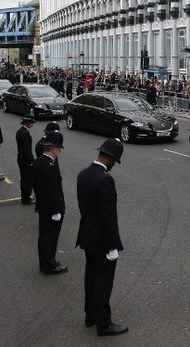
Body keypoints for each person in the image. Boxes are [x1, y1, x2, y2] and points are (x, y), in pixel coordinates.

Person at [76, 138, 127, 336]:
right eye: (114, 160)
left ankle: (90, 315)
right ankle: (104, 323)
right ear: (109, 157)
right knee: (103, 282)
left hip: (87, 236)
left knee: (90, 277)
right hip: (102, 241)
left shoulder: (83, 174)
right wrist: (113, 245)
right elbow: (108, 216)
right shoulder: (105, 180)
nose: (114, 164)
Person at [32, 131, 67, 274]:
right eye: (59, 149)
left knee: (44, 236)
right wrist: (56, 211)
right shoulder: (50, 166)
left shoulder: (38, 162)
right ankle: (49, 264)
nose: (59, 151)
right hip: (51, 210)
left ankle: (44, 263)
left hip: (42, 207)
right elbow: (53, 191)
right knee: (50, 238)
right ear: (54, 149)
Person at [16, 116, 37, 205]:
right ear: (27, 123)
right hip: (25, 160)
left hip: (21, 158)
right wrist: (31, 161)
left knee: (25, 179)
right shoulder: (24, 133)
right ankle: (26, 198)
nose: (32, 124)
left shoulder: (20, 131)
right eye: (31, 123)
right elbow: (26, 150)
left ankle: (26, 196)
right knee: (27, 180)